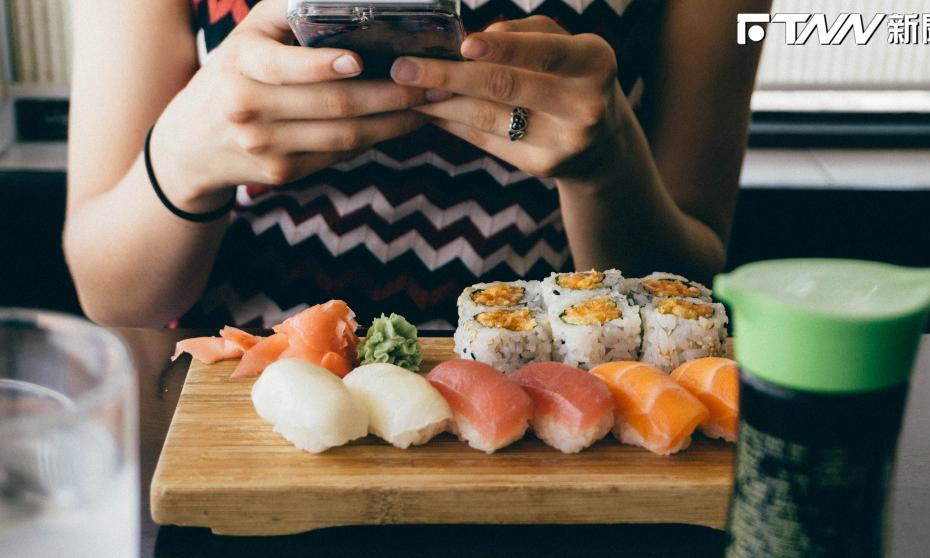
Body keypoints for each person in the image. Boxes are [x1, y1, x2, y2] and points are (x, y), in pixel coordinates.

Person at [64, 0, 769, 328]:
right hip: (242, 426)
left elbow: (692, 289)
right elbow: (112, 294)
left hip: (558, 431)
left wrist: (608, 169)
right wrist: (184, 159)